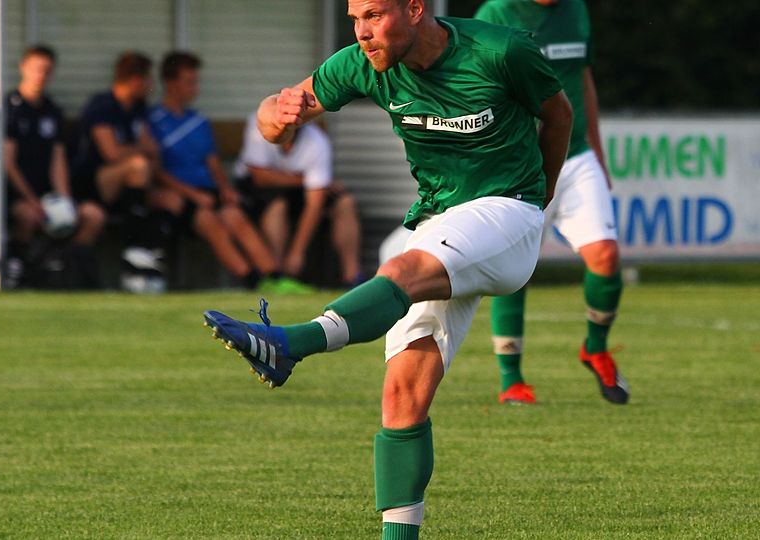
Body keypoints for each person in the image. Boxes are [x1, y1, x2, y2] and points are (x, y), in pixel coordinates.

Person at [202, 1, 572, 538]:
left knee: (401, 266)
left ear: (415, 9)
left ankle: (288, 343)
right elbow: (272, 121)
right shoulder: (362, 62)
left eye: (374, 15)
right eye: (355, 17)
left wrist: (540, 199)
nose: (362, 31)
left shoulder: (501, 50)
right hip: (439, 221)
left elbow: (559, 115)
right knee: (402, 397)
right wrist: (276, 114)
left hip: (507, 209)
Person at [475, 0, 629, 405]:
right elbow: (473, 85)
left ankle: (596, 348)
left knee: (606, 256)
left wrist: (598, 152)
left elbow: (583, 78)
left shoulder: (576, 9)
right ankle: (512, 379)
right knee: (514, 270)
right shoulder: (496, 13)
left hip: (575, 155)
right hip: (520, 161)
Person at [148, 51, 312, 293]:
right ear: (170, 83)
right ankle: (252, 281)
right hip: (179, 197)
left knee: (234, 215)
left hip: (206, 193)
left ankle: (275, 278)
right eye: (189, 82)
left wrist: (225, 189)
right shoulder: (153, 121)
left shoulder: (198, 121)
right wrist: (192, 195)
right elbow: (155, 169)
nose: (195, 88)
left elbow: (212, 162)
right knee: (209, 221)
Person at [3, 44, 105, 289]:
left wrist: (65, 199)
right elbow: (8, 162)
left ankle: (65, 267)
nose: (41, 75)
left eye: (47, 70)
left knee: (93, 216)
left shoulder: (52, 111)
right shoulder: (10, 108)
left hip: (49, 196)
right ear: (23, 68)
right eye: (36, 69)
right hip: (18, 195)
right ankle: (18, 271)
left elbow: (57, 160)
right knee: (28, 217)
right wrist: (33, 202)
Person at [72, 51, 169, 291]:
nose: (152, 86)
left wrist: (146, 152)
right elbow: (112, 153)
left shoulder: (138, 108)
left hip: (128, 187)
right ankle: (134, 252)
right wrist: (142, 150)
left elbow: (152, 149)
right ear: (136, 80)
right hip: (92, 184)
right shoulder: (102, 105)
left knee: (168, 199)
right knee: (138, 166)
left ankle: (146, 256)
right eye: (149, 80)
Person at [234, 113, 364, 287]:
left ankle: (352, 278)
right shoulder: (259, 122)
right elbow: (260, 177)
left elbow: (315, 202)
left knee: (345, 202)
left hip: (299, 192)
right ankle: (276, 276)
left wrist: (297, 252)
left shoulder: (317, 141)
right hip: (258, 190)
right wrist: (305, 179)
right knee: (278, 204)